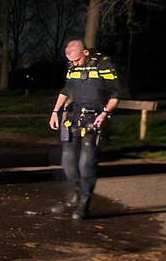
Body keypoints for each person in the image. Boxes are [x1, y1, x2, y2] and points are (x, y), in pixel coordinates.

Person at [48, 39, 120, 220]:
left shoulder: (103, 65)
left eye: (77, 60)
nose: (74, 64)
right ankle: (74, 195)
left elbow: (116, 94)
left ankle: (84, 204)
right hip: (73, 117)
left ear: (85, 52)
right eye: (71, 61)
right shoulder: (73, 67)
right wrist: (55, 112)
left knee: (86, 164)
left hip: (94, 118)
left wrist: (104, 114)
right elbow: (66, 90)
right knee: (68, 161)